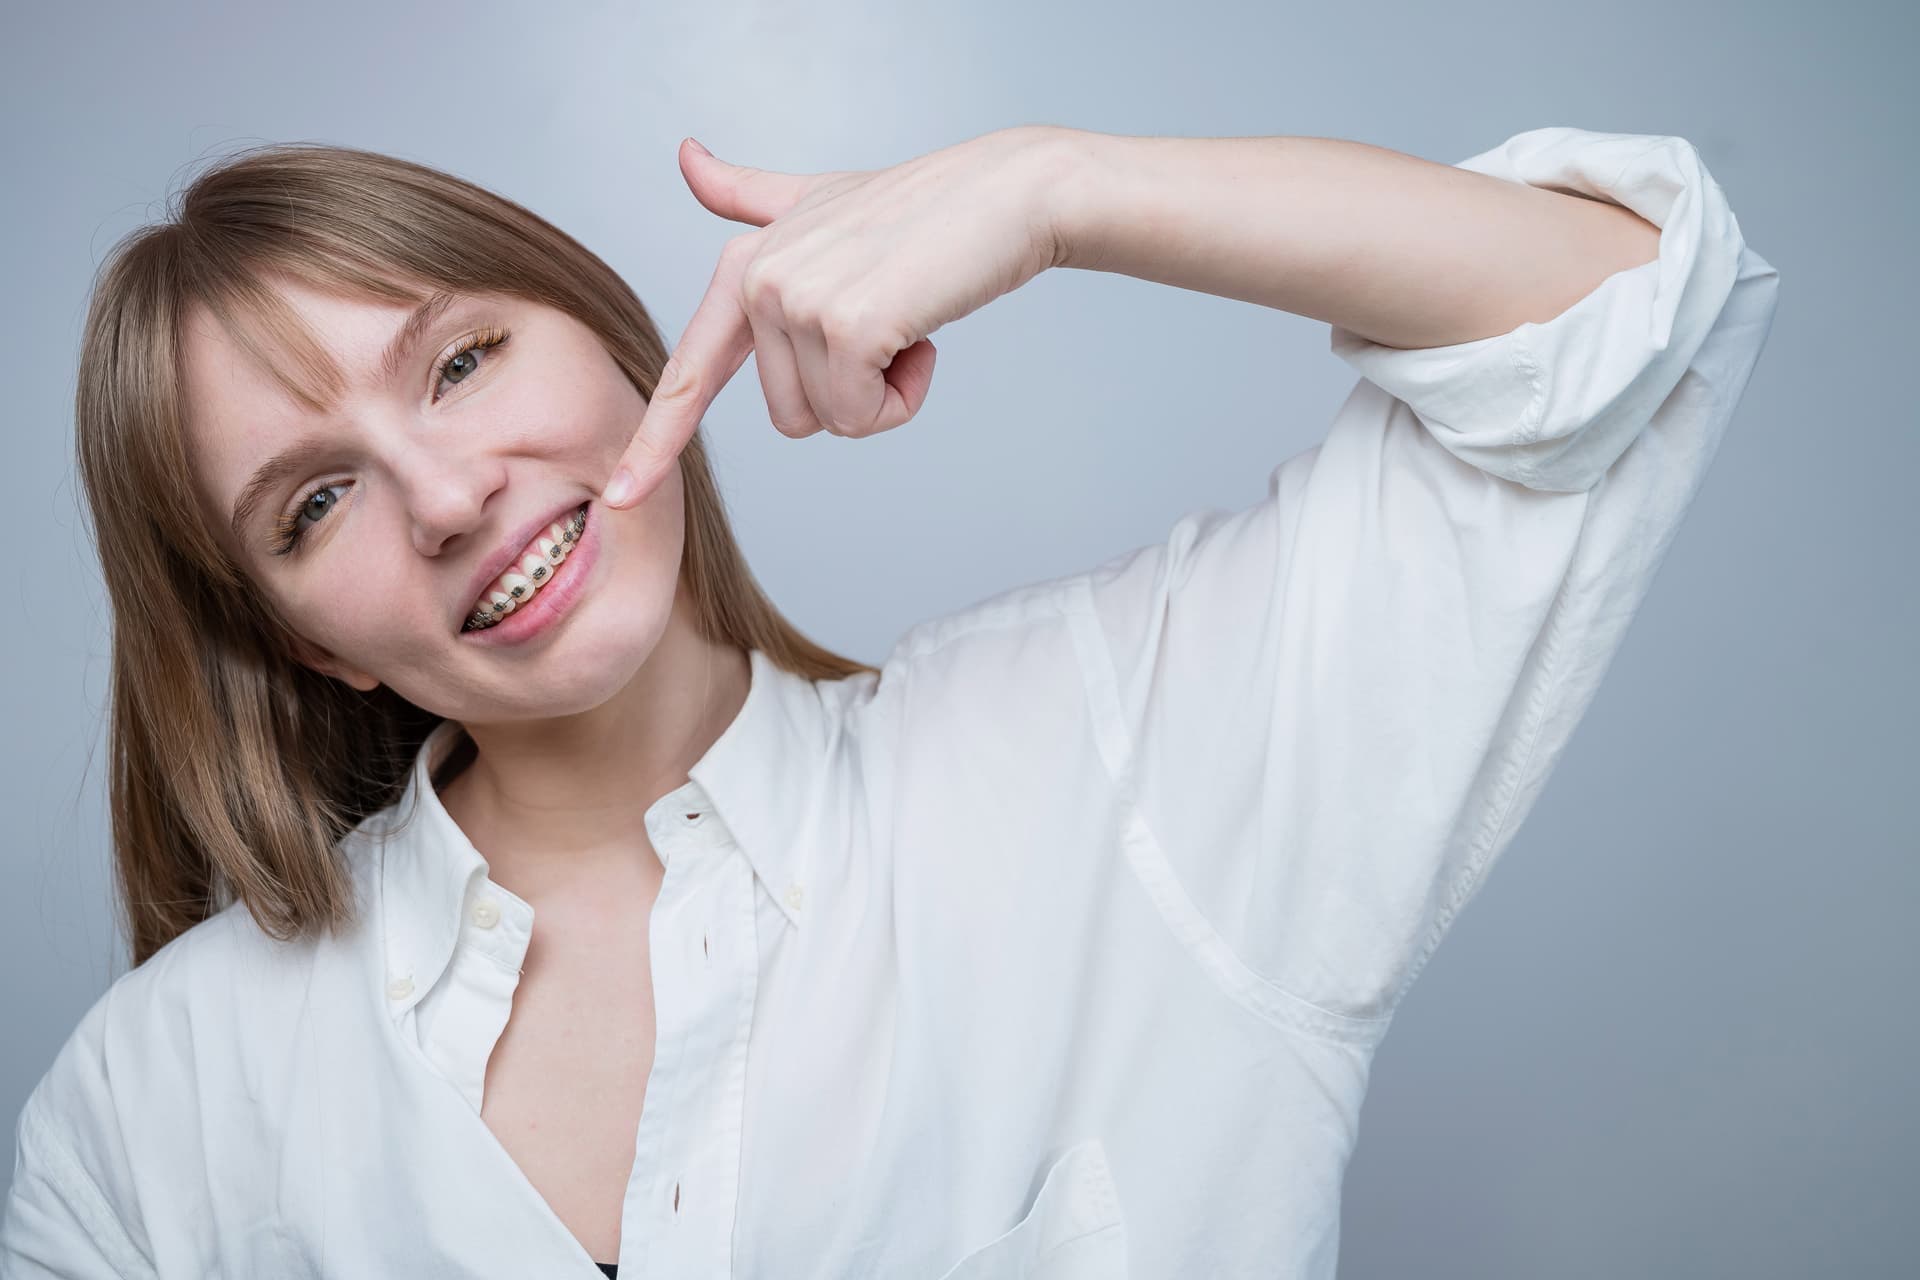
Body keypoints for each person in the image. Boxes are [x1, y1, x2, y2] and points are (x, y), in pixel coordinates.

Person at [0, 123, 1778, 1278]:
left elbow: (1627, 309)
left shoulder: (1104, 760)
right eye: (316, 502)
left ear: (623, 345)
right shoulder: (150, 1114)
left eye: (461, 361)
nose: (450, 491)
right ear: (304, 639)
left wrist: (1060, 189)